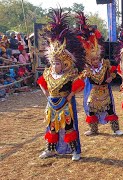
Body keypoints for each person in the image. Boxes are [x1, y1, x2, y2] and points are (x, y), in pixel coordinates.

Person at [37, 8, 86, 161]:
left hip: (65, 105)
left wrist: (70, 95)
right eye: (52, 62)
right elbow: (41, 83)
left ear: (64, 63)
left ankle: (75, 151)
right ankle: (50, 149)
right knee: (52, 128)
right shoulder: (48, 73)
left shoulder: (69, 74)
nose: (54, 65)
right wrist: (45, 93)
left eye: (57, 63)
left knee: (69, 127)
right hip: (51, 105)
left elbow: (79, 84)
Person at [76, 12, 123, 136]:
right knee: (91, 110)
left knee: (109, 109)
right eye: (93, 60)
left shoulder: (105, 65)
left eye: (97, 59)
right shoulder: (87, 70)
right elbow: (80, 78)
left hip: (104, 92)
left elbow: (112, 73)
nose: (96, 62)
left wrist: (110, 78)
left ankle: (115, 129)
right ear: (90, 60)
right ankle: (93, 129)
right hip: (93, 92)